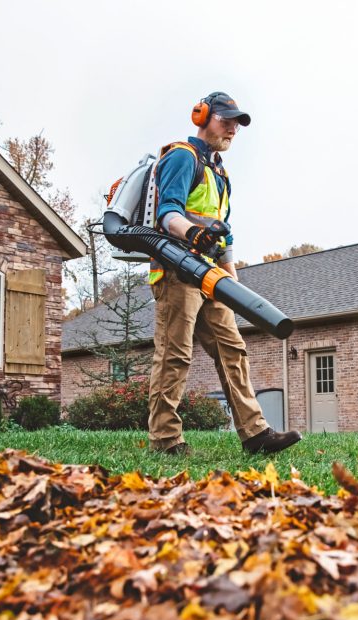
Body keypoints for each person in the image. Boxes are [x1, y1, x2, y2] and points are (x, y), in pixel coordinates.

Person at [147, 91, 301, 456]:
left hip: (210, 275)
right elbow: (167, 213)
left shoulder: (220, 173)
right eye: (225, 120)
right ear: (201, 116)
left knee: (233, 350)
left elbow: (224, 234)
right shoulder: (183, 158)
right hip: (176, 270)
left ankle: (255, 433)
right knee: (175, 354)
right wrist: (192, 233)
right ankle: (165, 439)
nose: (231, 128)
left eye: (237, 124)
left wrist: (232, 283)